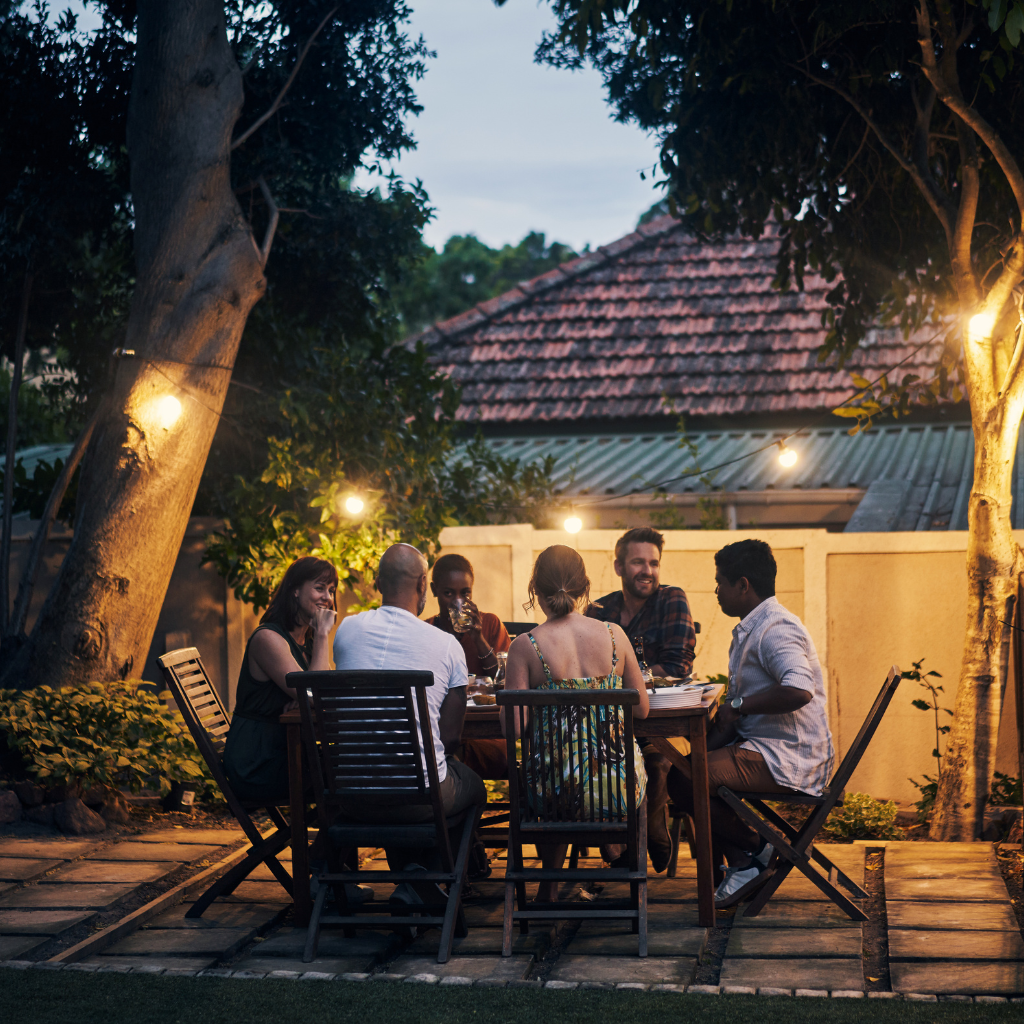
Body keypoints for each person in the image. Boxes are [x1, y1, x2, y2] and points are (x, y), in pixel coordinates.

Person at [665, 539, 834, 908]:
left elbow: (800, 689)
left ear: (743, 585)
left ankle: (753, 852)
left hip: (789, 756)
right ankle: (747, 858)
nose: (715, 590)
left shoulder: (775, 629)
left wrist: (739, 705)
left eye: (720, 582)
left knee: (686, 778)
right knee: (683, 770)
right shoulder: (754, 627)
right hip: (766, 747)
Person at [333, 543, 487, 906]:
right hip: (419, 798)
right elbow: (450, 738)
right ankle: (427, 876)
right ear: (423, 584)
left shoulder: (345, 631)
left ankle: (406, 877)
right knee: (473, 787)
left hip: (349, 795)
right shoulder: (446, 645)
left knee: (401, 771)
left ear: (376, 582)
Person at [504, 545, 650, 903]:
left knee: (562, 770)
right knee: (598, 774)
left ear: (535, 590)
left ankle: (548, 889)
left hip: (553, 793)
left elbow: (514, 728)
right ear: (585, 587)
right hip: (619, 789)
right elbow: (642, 709)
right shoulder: (616, 635)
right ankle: (632, 880)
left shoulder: (526, 646)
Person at [587, 527, 696, 872]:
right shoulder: (599, 610)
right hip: (608, 727)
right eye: (638, 562)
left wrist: (622, 679)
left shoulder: (672, 599)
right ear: (619, 567)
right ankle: (623, 846)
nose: (647, 570)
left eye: (653, 562)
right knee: (593, 761)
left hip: (659, 722)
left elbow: (678, 665)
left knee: (657, 759)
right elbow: (584, 670)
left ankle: (649, 831)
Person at [222, 557, 337, 804]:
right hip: (258, 762)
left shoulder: (305, 643)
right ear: (295, 590)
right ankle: (329, 843)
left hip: (290, 753)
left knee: (351, 769)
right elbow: (318, 695)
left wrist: (306, 699)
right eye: (320, 588)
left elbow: (322, 694)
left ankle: (330, 842)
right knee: (346, 777)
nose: (328, 597)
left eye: (331, 590)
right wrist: (323, 634)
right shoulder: (269, 638)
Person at [427, 553, 511, 781]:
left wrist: (478, 637)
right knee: (437, 751)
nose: (458, 601)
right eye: (448, 593)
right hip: (440, 731)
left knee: (441, 758)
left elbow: (507, 681)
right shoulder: (427, 631)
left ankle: (453, 799)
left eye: (465, 593)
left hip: (485, 733)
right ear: (434, 591)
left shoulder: (490, 624)